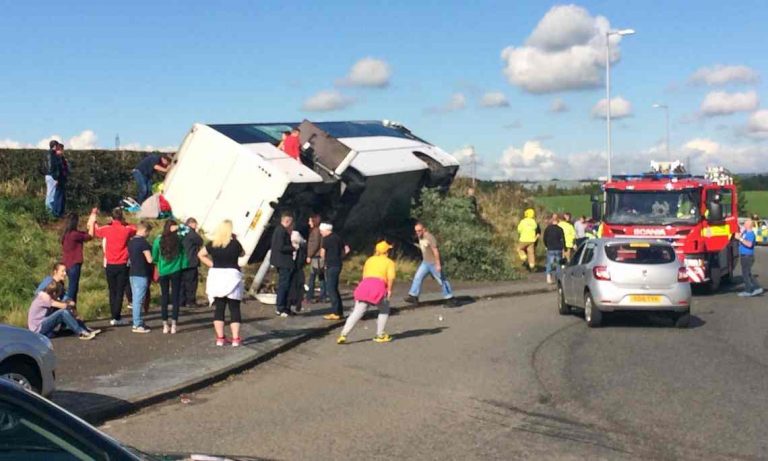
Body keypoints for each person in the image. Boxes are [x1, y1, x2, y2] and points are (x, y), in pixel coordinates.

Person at [337, 241, 396, 344]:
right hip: (378, 286)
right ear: (387, 252)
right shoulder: (389, 262)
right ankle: (380, 334)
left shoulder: (369, 260)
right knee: (384, 309)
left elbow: (364, 275)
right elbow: (390, 278)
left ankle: (343, 334)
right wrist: (389, 290)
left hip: (364, 285)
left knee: (357, 312)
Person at [198, 220, 245, 347]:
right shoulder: (235, 244)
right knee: (234, 308)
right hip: (232, 276)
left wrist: (212, 265)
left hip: (217, 276)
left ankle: (220, 338)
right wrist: (235, 239)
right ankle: (235, 338)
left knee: (219, 308)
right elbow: (243, 254)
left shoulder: (213, 244)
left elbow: (200, 254)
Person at [88, 207, 136, 326]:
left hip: (110, 263)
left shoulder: (107, 229)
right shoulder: (127, 229)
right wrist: (125, 222)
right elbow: (135, 228)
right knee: (120, 291)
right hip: (122, 263)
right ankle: (116, 316)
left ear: (111, 217)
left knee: (112, 290)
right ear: (122, 217)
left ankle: (113, 314)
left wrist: (94, 216)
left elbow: (95, 231)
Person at [404, 222, 458, 307]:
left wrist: (438, 264)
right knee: (418, 277)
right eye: (416, 231)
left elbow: (436, 251)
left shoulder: (430, 237)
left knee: (442, 280)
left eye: (419, 231)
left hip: (433, 263)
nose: (417, 233)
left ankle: (450, 299)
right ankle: (413, 296)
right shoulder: (420, 237)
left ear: (424, 229)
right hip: (425, 262)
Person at [28, 280, 97, 340]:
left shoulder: (43, 295)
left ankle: (83, 328)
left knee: (62, 311)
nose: (58, 298)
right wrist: (71, 306)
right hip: (38, 328)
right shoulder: (45, 298)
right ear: (54, 293)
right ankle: (81, 332)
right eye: (58, 295)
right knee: (63, 312)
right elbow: (63, 306)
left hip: (38, 325)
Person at [152, 220, 187, 334]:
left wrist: (158, 264)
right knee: (175, 297)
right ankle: (174, 325)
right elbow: (187, 231)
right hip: (176, 269)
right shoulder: (178, 240)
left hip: (163, 270)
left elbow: (155, 256)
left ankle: (165, 325)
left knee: (164, 297)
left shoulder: (158, 240)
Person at [128, 221, 153, 333]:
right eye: (148, 232)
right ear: (144, 231)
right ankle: (137, 323)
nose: (148, 234)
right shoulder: (144, 243)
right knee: (138, 300)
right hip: (141, 273)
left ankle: (137, 321)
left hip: (132, 273)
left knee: (135, 299)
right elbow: (150, 259)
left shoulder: (131, 242)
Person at [321, 223, 350, 320]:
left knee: (331, 288)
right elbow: (346, 249)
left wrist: (324, 262)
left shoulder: (326, 239)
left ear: (326, 230)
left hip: (331, 265)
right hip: (338, 264)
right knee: (335, 288)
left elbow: (322, 253)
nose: (321, 233)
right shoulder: (338, 237)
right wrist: (340, 257)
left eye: (321, 231)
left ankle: (336, 312)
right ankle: (339, 311)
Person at [61, 213, 91, 303]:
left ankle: (71, 308)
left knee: (72, 287)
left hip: (67, 263)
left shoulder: (66, 235)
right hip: (74, 264)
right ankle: (69, 308)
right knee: (73, 289)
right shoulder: (74, 235)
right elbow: (89, 236)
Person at [270, 212, 296, 317]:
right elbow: (281, 247)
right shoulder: (281, 231)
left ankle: (283, 306)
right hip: (283, 261)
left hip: (280, 261)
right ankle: (280, 307)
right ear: (287, 221)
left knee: (284, 284)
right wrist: (293, 247)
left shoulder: (278, 230)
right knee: (284, 285)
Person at [736, 219, 763, 297]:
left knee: (746, 274)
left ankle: (748, 290)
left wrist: (740, 239)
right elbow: (740, 229)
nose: (743, 224)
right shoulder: (745, 232)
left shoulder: (751, 234)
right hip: (744, 256)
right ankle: (757, 287)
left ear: (748, 225)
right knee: (748, 273)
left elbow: (749, 244)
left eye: (745, 223)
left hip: (747, 256)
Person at [180, 217, 204, 307]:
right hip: (191, 261)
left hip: (181, 261)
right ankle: (190, 301)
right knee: (191, 283)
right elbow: (200, 241)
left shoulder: (181, 233)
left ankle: (181, 301)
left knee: (182, 282)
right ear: (191, 224)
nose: (196, 226)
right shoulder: (191, 233)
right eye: (195, 224)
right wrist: (196, 232)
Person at [305, 213, 326, 303]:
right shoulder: (317, 230)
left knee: (313, 276)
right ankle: (323, 295)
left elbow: (315, 244)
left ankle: (310, 296)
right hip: (317, 255)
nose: (309, 222)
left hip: (315, 256)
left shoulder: (316, 231)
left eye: (310, 220)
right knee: (320, 276)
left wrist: (309, 255)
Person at [287, 230, 307, 313]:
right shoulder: (294, 234)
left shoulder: (294, 234)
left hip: (294, 263)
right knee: (296, 284)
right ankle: (294, 302)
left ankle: (293, 302)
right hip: (295, 263)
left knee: (294, 284)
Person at [543, 214, 565, 285]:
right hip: (558, 248)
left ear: (552, 221)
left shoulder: (547, 229)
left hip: (550, 248)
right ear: (558, 222)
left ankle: (549, 277)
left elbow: (544, 238)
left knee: (549, 263)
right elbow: (563, 239)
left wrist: (546, 245)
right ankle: (558, 278)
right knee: (559, 263)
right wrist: (564, 247)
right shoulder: (560, 229)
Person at [50, 143, 70, 218]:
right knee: (58, 196)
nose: (62, 152)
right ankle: (56, 212)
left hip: (63, 178)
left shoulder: (61, 158)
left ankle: (61, 211)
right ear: (59, 150)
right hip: (59, 178)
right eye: (61, 150)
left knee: (62, 196)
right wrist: (56, 178)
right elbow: (56, 169)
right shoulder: (56, 158)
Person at [43, 140, 58, 213]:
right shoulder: (52, 154)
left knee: (50, 193)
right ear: (54, 146)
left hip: (48, 175)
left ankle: (49, 211)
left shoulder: (47, 153)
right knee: (51, 194)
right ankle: (49, 212)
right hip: (51, 176)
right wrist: (55, 176)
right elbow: (51, 166)